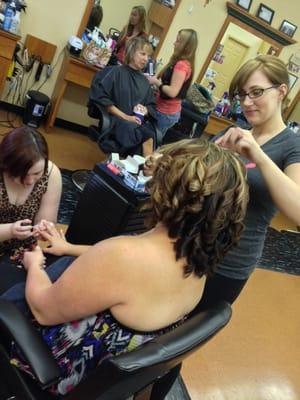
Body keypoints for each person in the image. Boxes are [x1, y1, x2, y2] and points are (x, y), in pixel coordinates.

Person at [9, 139, 248, 397]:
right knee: (64, 262)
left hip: (58, 372)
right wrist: (69, 248)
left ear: (163, 189)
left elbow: (43, 310)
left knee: (11, 287)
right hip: (103, 383)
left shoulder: (121, 256)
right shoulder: (198, 260)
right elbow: (126, 274)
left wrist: (34, 266)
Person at [195, 55, 300, 312]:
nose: (246, 103)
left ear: (281, 91)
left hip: (231, 262)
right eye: (242, 95)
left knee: (182, 337)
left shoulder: (291, 146)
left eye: (256, 92)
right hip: (194, 244)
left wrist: (258, 155)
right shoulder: (232, 134)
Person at [0, 126, 62, 293]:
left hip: (24, 252)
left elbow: (47, 221)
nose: (30, 181)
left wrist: (44, 229)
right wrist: (11, 230)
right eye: (21, 174)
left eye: (37, 173)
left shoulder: (51, 175)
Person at [89, 36, 157, 157]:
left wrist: (145, 110)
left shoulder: (145, 82)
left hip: (135, 124)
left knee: (147, 134)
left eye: (148, 56)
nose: (146, 59)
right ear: (131, 52)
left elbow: (151, 106)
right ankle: (144, 171)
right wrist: (126, 117)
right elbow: (103, 100)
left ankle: (135, 171)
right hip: (116, 120)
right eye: (143, 54)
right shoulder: (116, 72)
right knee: (145, 136)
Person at [147, 29, 198, 136]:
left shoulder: (182, 65)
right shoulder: (180, 62)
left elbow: (172, 92)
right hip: (164, 109)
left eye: (178, 41)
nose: (174, 43)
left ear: (185, 46)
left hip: (166, 113)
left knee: (151, 142)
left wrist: (155, 82)